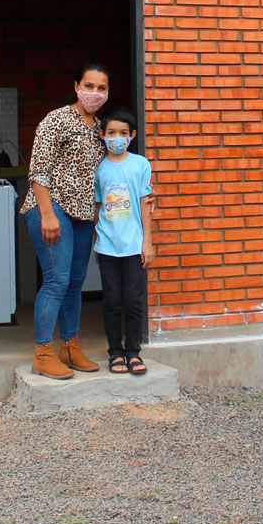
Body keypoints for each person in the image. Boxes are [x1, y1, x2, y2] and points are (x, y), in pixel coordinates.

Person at [20, 62, 110, 380]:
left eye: (101, 88)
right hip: (51, 207)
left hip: (83, 213)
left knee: (74, 283)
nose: (94, 93)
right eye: (89, 86)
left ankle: (69, 347)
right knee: (57, 280)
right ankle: (43, 353)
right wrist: (46, 213)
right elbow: (39, 170)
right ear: (76, 86)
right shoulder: (57, 119)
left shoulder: (100, 129)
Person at [93, 107, 154, 375]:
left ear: (132, 135)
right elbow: (97, 207)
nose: (117, 137)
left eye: (122, 133)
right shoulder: (98, 168)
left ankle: (133, 352)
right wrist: (96, 240)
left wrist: (147, 243)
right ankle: (114, 353)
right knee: (112, 302)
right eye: (111, 133)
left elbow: (145, 203)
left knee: (133, 301)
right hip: (107, 247)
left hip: (134, 246)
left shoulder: (140, 164)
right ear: (102, 135)